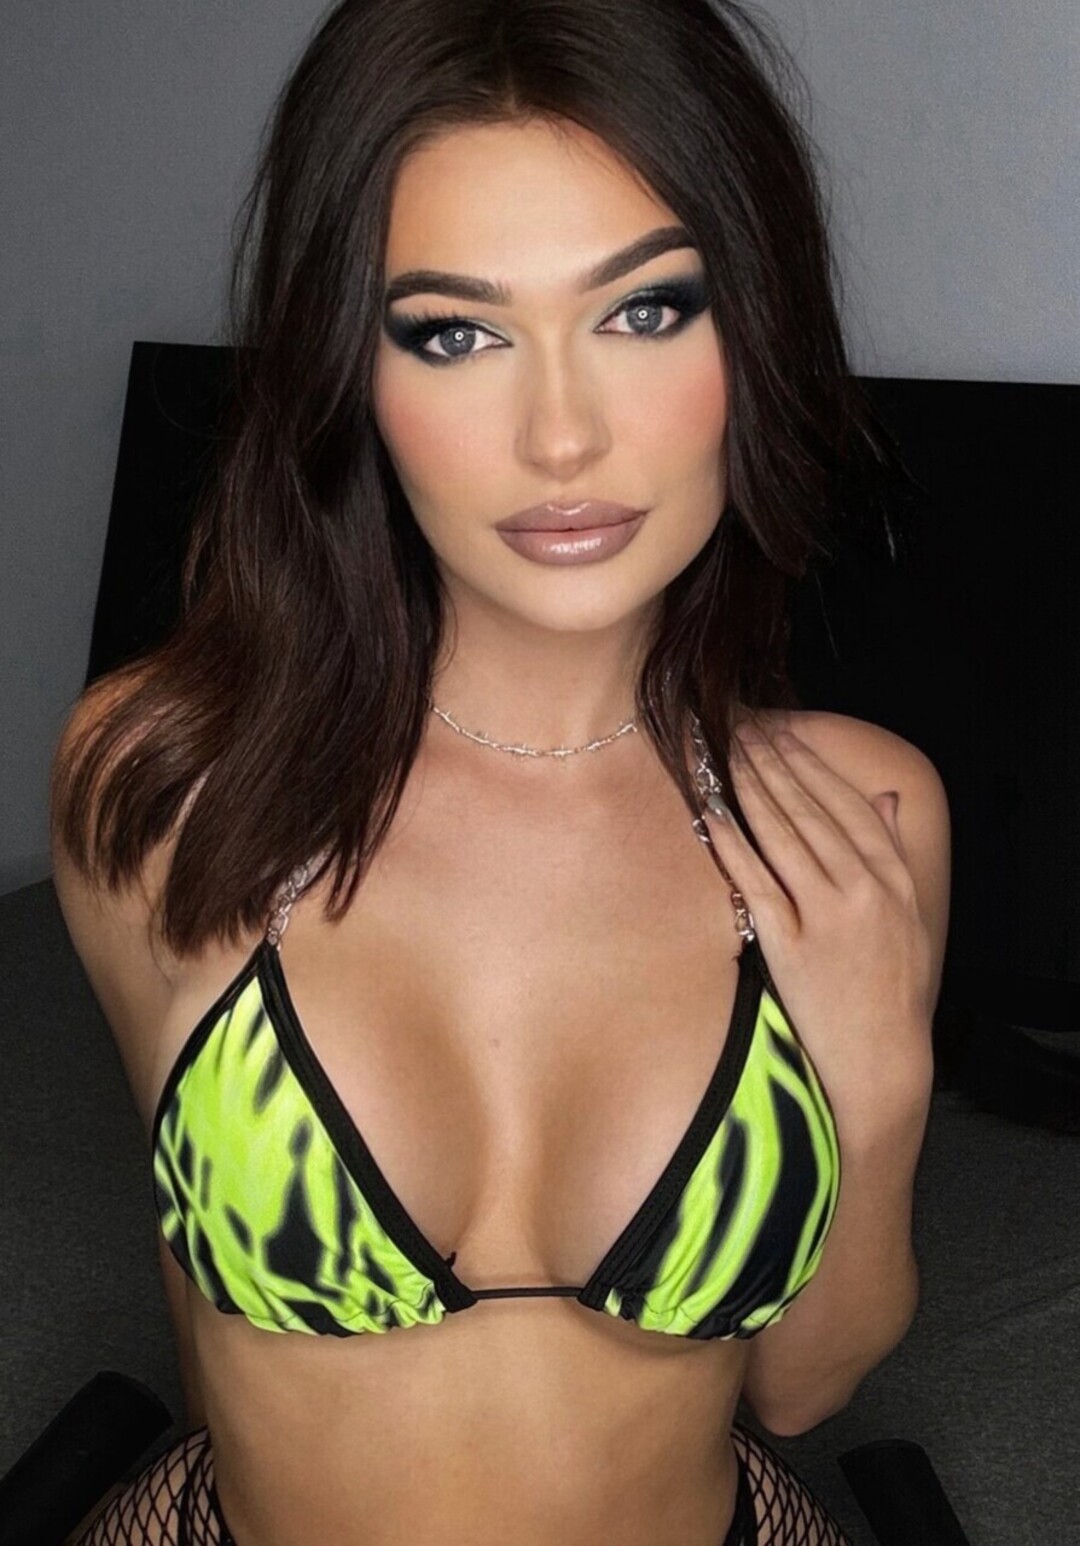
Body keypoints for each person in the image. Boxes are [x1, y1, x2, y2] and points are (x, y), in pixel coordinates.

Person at [49, 0, 950, 1541]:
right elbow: (199, 1293)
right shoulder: (167, 778)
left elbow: (804, 1389)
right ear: (351, 368)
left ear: (756, 329)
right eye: (456, 333)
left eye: (644, 311)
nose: (560, 436)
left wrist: (876, 1087)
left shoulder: (859, 819)